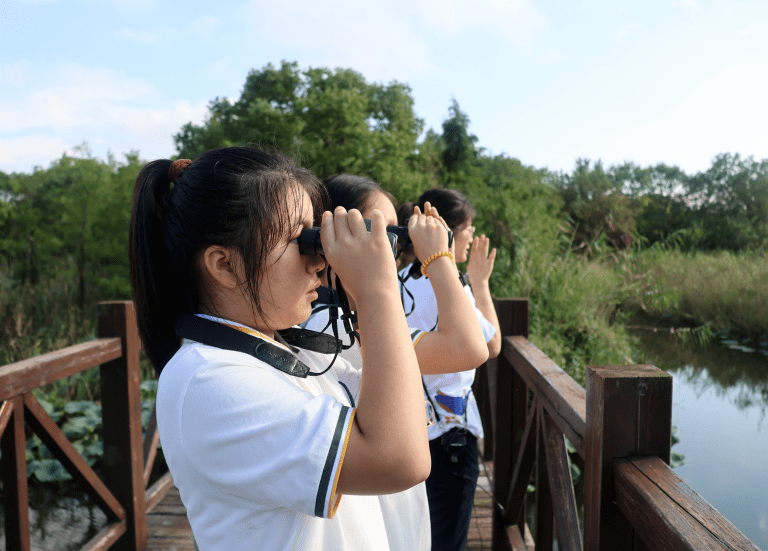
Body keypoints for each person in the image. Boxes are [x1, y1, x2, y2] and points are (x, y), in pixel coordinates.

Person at [128, 146, 436, 550]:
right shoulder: (207, 380)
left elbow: (400, 414)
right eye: (300, 240)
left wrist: (366, 292)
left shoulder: (286, 349)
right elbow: (400, 459)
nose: (319, 262)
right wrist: (378, 288)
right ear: (225, 265)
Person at [302, 174, 489, 551]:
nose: (391, 248)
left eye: (394, 236)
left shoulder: (349, 321)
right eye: (378, 233)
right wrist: (439, 259)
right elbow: (471, 347)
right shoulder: (332, 327)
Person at [398, 187, 501, 551]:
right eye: (469, 228)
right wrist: (480, 283)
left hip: (408, 432)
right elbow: (490, 345)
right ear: (448, 231)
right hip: (449, 439)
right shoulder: (448, 286)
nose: (472, 237)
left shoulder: (398, 282)